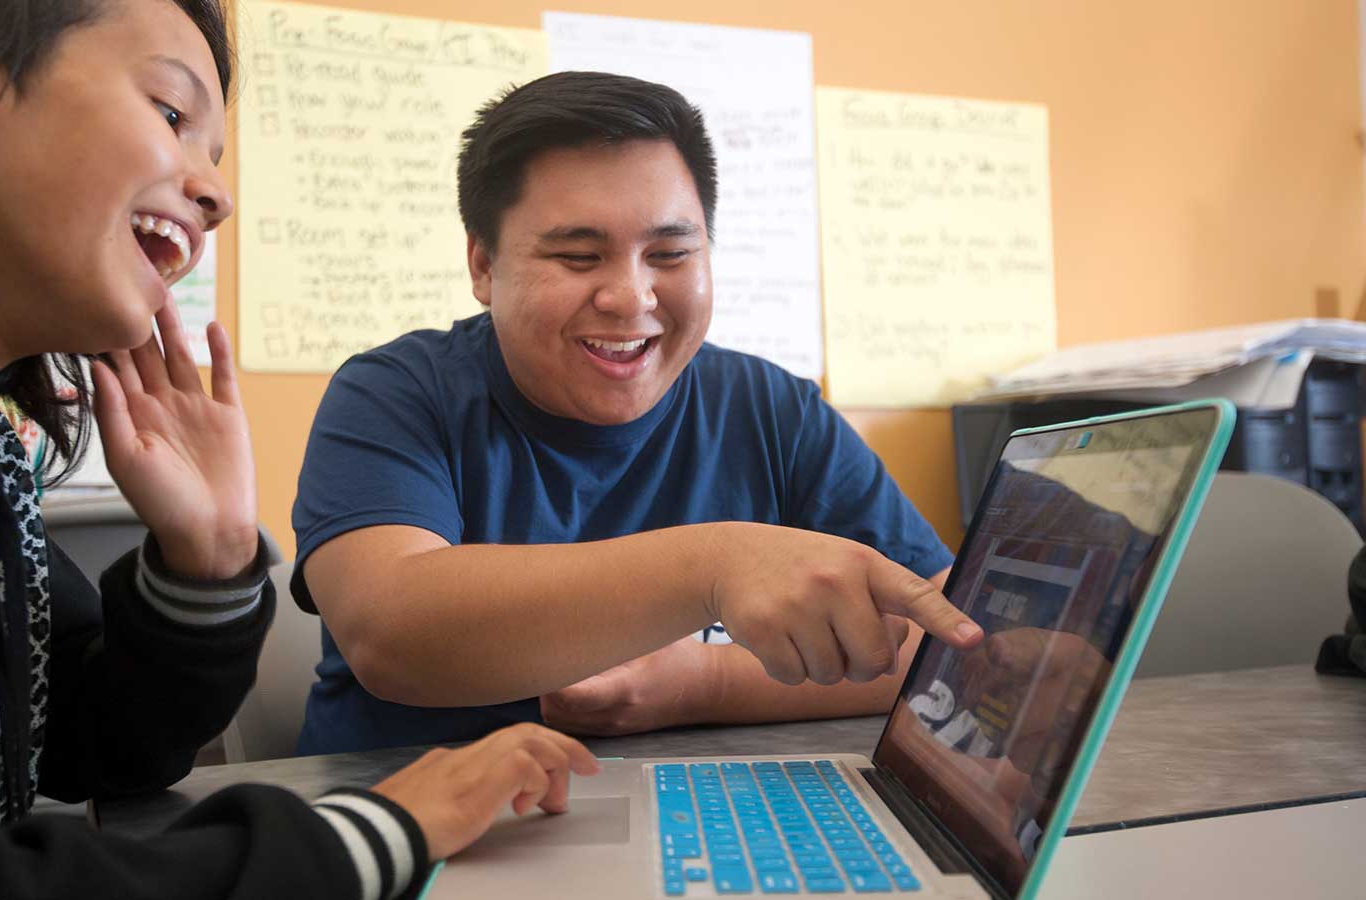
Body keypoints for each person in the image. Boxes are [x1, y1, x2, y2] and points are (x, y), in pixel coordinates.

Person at [0, 2, 597, 898]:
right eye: (171, 114)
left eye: (215, 154)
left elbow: (91, 744)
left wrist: (206, 560)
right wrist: (375, 832)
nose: (215, 194)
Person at [291, 71, 984, 756]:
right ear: (483, 265)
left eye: (670, 254)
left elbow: (947, 632)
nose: (630, 297)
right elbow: (392, 630)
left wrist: (703, 683)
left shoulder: (774, 410)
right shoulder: (396, 393)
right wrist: (716, 567)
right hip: (410, 832)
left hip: (717, 824)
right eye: (578, 256)